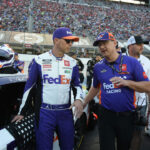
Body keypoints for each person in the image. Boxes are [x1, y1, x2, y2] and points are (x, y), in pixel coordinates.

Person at [12, 27, 84, 150]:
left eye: (72, 41)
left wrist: (79, 99)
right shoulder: (38, 60)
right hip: (45, 113)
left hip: (65, 112)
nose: (71, 44)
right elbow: (29, 88)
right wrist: (21, 112)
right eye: (67, 41)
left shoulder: (73, 63)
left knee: (68, 147)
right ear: (56, 40)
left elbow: (76, 85)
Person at [83, 32, 150, 150]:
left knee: (124, 147)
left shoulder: (132, 62)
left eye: (105, 43)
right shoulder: (98, 67)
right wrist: (83, 103)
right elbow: (95, 87)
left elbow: (147, 86)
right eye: (99, 45)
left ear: (114, 43)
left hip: (126, 116)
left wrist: (127, 83)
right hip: (105, 115)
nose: (102, 47)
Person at [126, 35, 150, 150]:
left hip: (141, 104)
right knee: (122, 134)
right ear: (130, 45)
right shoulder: (119, 59)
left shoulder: (147, 62)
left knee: (138, 134)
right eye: (139, 44)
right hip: (123, 103)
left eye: (143, 44)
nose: (142, 47)